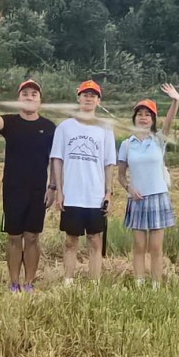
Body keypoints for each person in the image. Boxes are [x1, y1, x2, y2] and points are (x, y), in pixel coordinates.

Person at [0, 78, 56, 293]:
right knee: (14, 236)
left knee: (32, 236)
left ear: (40, 100)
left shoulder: (49, 127)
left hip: (38, 189)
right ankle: (14, 282)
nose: (29, 97)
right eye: (25, 94)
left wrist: (53, 187)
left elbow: (55, 159)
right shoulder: (10, 122)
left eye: (34, 94)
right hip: (13, 188)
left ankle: (29, 282)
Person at [51, 80, 116, 285]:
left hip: (95, 195)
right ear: (78, 98)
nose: (89, 98)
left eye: (93, 95)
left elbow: (109, 163)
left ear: (98, 100)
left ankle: (94, 282)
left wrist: (108, 192)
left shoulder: (105, 128)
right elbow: (57, 160)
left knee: (95, 240)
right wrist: (59, 190)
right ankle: (68, 281)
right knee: (71, 240)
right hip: (72, 193)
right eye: (85, 94)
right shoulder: (65, 127)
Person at [117, 84, 179, 289]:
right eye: (140, 114)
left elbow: (170, 121)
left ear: (153, 120)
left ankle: (156, 284)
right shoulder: (127, 144)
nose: (143, 118)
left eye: (147, 115)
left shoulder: (159, 139)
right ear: (134, 118)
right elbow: (120, 175)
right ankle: (138, 283)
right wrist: (129, 189)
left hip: (158, 197)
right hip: (137, 199)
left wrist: (175, 100)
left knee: (155, 246)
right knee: (139, 245)